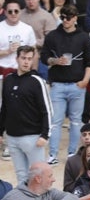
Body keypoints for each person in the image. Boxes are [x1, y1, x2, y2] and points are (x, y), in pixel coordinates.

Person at [39, 4, 90, 165]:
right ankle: (53, 154)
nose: (65, 20)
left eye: (68, 17)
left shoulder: (84, 37)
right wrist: (55, 61)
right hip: (57, 84)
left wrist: (85, 81)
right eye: (63, 17)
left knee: (76, 121)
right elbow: (44, 57)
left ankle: (72, 153)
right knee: (56, 121)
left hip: (77, 84)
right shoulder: (53, 36)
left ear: (75, 18)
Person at [0, 45, 51, 185]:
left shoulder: (37, 81)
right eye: (23, 58)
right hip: (12, 137)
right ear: (17, 59)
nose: (26, 62)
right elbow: (4, 108)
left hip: (33, 138)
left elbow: (46, 110)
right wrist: (0, 132)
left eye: (29, 59)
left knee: (38, 177)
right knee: (21, 176)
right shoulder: (8, 79)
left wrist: (45, 135)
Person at [0, 161, 83, 200]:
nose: (54, 179)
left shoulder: (51, 192)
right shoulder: (13, 196)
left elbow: (74, 198)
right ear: (38, 179)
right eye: (50, 176)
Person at [0, 0, 36, 72]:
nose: (13, 14)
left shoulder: (28, 29)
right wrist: (7, 51)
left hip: (23, 70)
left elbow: (34, 52)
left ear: (20, 12)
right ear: (5, 12)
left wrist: (34, 70)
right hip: (2, 69)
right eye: (10, 12)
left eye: (16, 11)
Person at [62, 123, 90, 192]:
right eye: (84, 135)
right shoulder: (72, 161)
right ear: (80, 138)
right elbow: (67, 188)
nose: (87, 137)